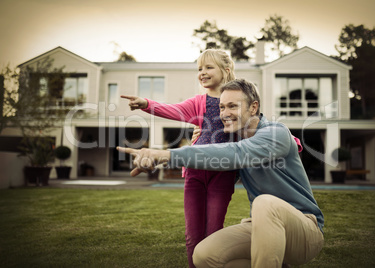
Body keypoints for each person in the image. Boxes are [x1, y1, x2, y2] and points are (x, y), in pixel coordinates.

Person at [117, 78, 324, 268]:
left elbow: (235, 153)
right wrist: (155, 161)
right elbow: (211, 161)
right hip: (262, 229)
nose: (224, 113)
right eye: (222, 107)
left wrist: (165, 154)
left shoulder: (276, 133)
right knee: (204, 255)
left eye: (233, 106)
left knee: (265, 202)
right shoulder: (237, 141)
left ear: (254, 107)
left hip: (305, 230)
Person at [121, 49, 239, 268]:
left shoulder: (236, 99)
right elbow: (172, 109)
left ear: (226, 70)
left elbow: (257, 126)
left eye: (208, 67)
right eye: (199, 69)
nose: (202, 73)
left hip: (222, 174)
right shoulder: (198, 102)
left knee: (214, 234)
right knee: (193, 236)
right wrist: (146, 103)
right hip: (195, 173)